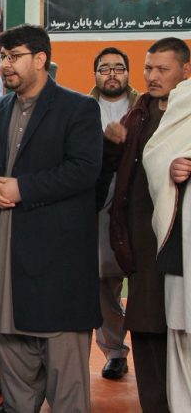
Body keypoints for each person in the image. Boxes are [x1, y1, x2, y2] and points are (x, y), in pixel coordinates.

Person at [0, 24, 102, 412]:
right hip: (7, 278)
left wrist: (22, 189)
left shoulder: (78, 108)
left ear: (41, 59)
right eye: (2, 57)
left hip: (57, 280)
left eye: (14, 57)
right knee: (17, 396)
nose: (5, 65)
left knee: (67, 396)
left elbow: (84, 170)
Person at [105, 37, 190, 413]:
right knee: (145, 325)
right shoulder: (138, 115)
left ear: (185, 71)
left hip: (180, 245)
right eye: (148, 68)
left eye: (162, 69)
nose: (152, 76)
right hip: (141, 244)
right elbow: (113, 172)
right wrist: (112, 145)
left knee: (180, 329)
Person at [143, 67, 191, 413]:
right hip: (182, 244)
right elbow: (156, 155)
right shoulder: (185, 98)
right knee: (183, 337)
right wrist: (171, 169)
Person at [90, 47, 139, 381]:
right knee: (104, 282)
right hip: (98, 206)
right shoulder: (82, 109)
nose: (111, 73)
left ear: (128, 73)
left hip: (139, 208)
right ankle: (115, 351)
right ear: (95, 74)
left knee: (145, 282)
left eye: (118, 68)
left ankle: (154, 348)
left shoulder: (144, 107)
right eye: (104, 68)